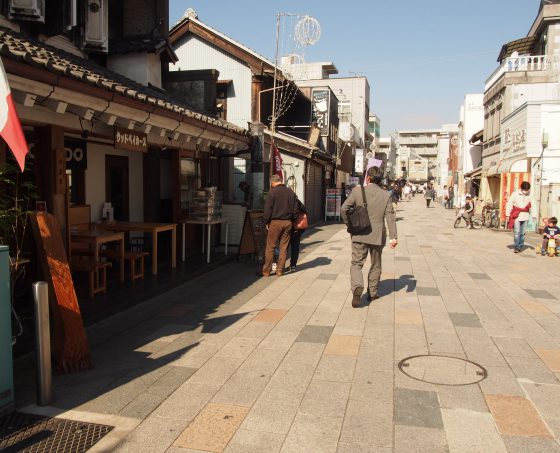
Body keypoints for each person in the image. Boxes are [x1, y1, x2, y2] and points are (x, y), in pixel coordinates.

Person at [341, 166, 398, 308]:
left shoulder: (357, 191)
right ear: (381, 180)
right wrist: (393, 237)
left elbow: (344, 209)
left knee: (356, 263)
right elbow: (390, 216)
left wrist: (350, 225)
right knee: (376, 264)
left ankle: (357, 287)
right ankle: (372, 292)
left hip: (359, 233)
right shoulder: (386, 195)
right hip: (378, 235)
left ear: (368, 178)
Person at [257, 174, 297, 276]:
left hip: (275, 223)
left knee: (270, 247)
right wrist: (292, 221)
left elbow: (268, 209)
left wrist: (266, 221)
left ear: (272, 182)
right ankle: (280, 271)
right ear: (281, 181)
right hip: (288, 222)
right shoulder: (290, 192)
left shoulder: (272, 192)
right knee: (284, 248)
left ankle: (266, 271)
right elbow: (295, 209)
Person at [506, 181, 536, 254]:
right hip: (517, 215)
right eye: (525, 190)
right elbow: (509, 203)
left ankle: (521, 245)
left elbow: (534, 204)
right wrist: (507, 214)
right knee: (517, 232)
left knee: (523, 233)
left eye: (527, 190)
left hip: (525, 216)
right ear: (521, 189)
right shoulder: (515, 194)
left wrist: (534, 215)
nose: (526, 192)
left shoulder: (530, 195)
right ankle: (516, 247)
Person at [288, 198, 307, 271]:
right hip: (297, 228)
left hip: (290, 227)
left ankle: (281, 265)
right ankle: (293, 265)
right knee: (295, 247)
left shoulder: (288, 201)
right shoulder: (297, 201)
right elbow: (305, 213)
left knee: (284, 247)